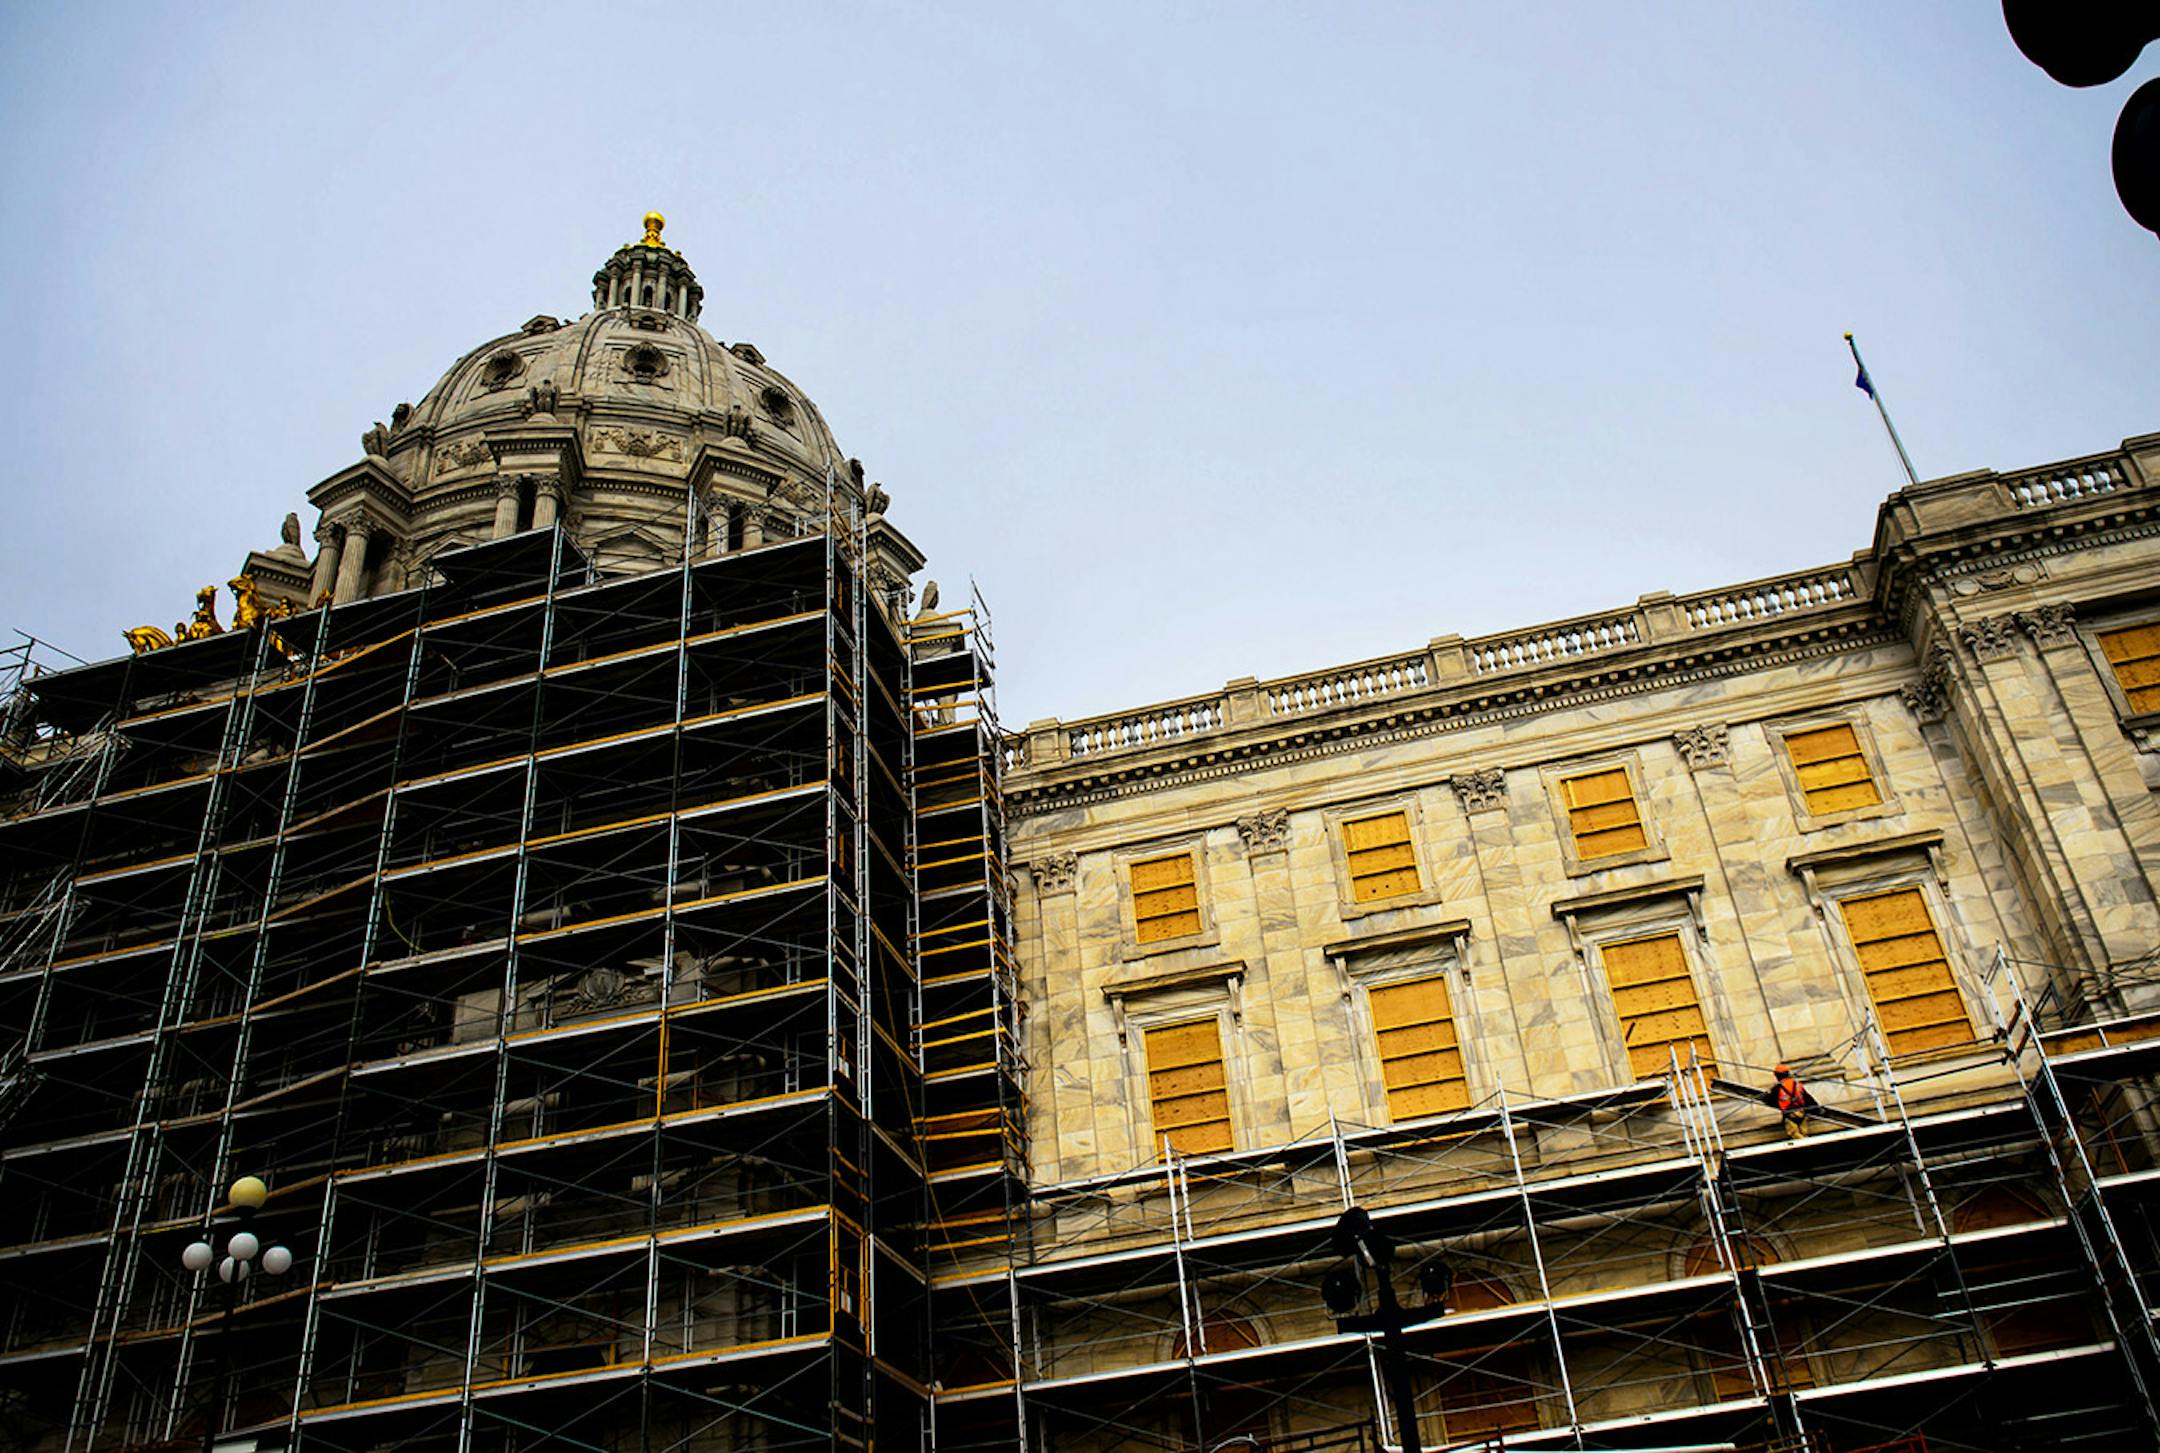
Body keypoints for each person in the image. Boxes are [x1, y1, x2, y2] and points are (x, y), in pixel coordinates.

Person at [1769, 1063, 1811, 1140]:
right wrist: (1818, 1109)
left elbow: (1769, 1100)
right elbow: (1807, 1098)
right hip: (1801, 1112)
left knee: (1794, 1134)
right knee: (1804, 1133)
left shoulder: (1777, 1088)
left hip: (1789, 1114)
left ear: (1777, 1075)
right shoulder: (1797, 1084)